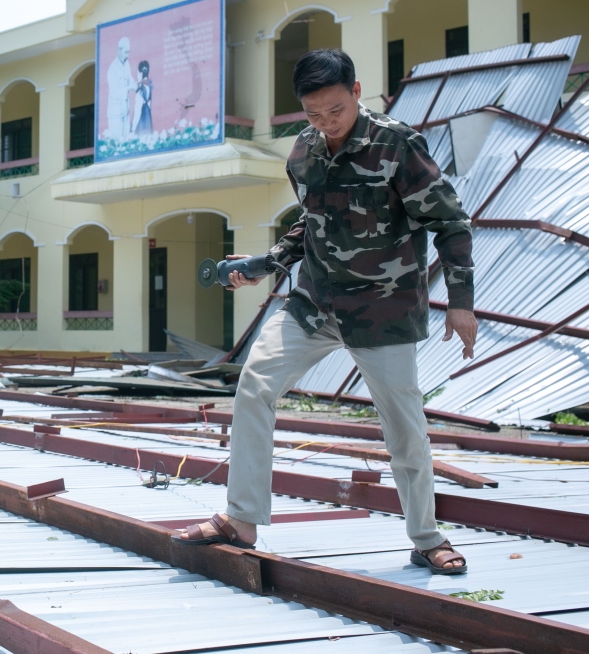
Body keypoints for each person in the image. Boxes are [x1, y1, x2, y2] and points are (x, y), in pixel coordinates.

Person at [174, 49, 477, 576]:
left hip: (383, 311)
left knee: (403, 426)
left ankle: (427, 539)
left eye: (335, 110)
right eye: (313, 114)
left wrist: (461, 303)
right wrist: (265, 265)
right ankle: (241, 520)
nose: (326, 123)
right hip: (315, 303)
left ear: (357, 93)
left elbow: (450, 222)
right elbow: (311, 225)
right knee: (254, 383)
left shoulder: (398, 144)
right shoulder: (303, 154)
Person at [105, 36, 136, 141]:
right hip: (115, 114)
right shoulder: (112, 69)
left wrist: (134, 84)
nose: (127, 55)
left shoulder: (126, 63)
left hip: (125, 109)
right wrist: (128, 88)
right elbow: (114, 93)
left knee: (126, 141)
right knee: (117, 142)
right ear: (119, 50)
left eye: (129, 52)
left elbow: (129, 77)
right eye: (125, 52)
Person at [131, 60, 153, 136]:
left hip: (141, 120)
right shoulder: (148, 86)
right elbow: (149, 104)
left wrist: (133, 129)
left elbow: (137, 111)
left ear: (140, 72)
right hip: (147, 118)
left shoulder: (140, 88)